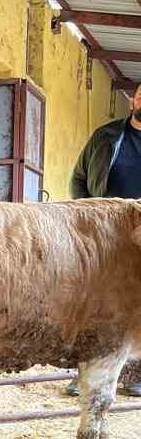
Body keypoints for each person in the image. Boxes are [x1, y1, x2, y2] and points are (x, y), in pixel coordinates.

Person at [66, 86, 141, 397]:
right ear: (134, 99)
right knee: (93, 303)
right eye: (140, 95)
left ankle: (136, 374)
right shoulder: (107, 135)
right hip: (106, 236)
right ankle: (86, 373)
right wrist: (89, 218)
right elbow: (78, 179)